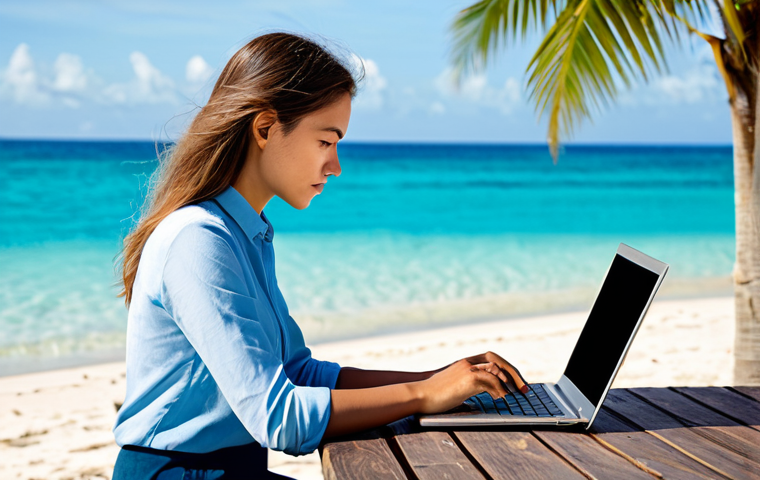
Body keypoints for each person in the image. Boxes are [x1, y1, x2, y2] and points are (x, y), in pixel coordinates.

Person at [112, 31, 529, 479]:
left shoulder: (243, 234)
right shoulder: (199, 239)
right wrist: (423, 395)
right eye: (326, 141)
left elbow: (300, 373)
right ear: (266, 128)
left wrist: (442, 377)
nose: (335, 165)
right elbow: (279, 417)